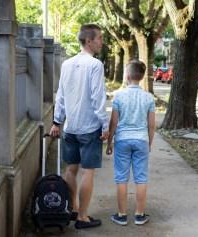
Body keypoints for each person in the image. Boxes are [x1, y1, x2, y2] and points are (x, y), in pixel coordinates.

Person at [49, 24, 109, 229]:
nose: (102, 41)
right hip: (89, 127)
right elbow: (97, 98)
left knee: (71, 169)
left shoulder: (67, 64)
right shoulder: (95, 65)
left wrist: (57, 121)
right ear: (89, 41)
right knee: (88, 171)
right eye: (100, 38)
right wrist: (105, 125)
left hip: (70, 127)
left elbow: (62, 94)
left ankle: (72, 208)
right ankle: (83, 217)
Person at [106, 60, 155, 226]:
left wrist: (109, 142)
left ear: (127, 76)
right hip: (141, 139)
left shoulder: (119, 96)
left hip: (122, 140)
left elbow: (113, 122)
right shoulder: (149, 98)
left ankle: (121, 215)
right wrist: (149, 142)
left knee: (121, 178)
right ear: (141, 77)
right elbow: (152, 124)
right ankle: (140, 215)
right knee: (141, 178)